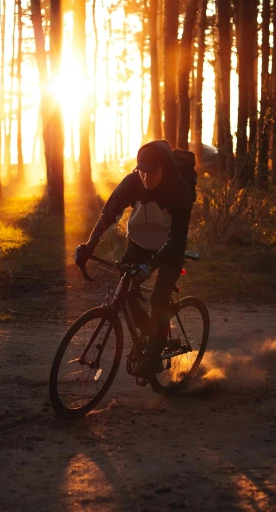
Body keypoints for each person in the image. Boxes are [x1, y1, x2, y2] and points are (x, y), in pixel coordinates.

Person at [75, 140, 195, 380]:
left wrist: (150, 266)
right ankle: (152, 333)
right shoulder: (132, 182)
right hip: (139, 243)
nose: (145, 177)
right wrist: (89, 245)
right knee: (125, 288)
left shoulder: (180, 190)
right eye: (142, 170)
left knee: (159, 299)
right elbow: (109, 215)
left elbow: (177, 240)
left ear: (165, 168)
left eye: (152, 171)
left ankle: (154, 354)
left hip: (170, 248)